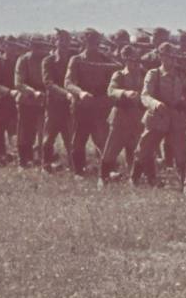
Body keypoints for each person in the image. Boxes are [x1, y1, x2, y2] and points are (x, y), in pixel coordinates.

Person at [136, 43, 186, 186]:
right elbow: (145, 95)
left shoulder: (180, 74)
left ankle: (185, 183)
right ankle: (136, 178)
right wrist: (156, 104)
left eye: (173, 56)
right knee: (144, 149)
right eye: (167, 56)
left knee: (182, 152)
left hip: (175, 118)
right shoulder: (153, 74)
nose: (171, 60)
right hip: (157, 117)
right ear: (161, 57)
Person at [64, 29, 115, 176]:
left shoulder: (105, 59)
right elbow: (68, 82)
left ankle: (107, 171)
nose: (94, 45)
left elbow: (114, 77)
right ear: (84, 42)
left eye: (96, 42)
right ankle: (79, 172)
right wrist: (80, 93)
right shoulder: (76, 59)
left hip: (100, 106)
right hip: (82, 105)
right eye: (90, 42)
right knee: (79, 139)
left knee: (102, 139)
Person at [98, 45, 147, 188]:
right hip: (120, 117)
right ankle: (103, 177)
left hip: (137, 117)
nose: (134, 64)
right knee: (111, 149)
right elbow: (111, 90)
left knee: (138, 149)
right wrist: (125, 93)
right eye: (131, 60)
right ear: (125, 60)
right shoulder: (119, 75)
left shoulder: (143, 75)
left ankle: (134, 178)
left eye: (136, 60)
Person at [14, 36, 52, 168]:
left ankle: (41, 159)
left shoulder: (47, 59)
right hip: (27, 100)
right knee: (25, 132)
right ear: (31, 46)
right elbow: (19, 83)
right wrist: (33, 92)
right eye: (36, 46)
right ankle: (22, 160)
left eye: (41, 46)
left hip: (44, 100)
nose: (39, 49)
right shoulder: (23, 60)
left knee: (43, 132)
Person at [41, 30, 76, 170]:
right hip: (54, 105)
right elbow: (48, 83)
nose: (64, 45)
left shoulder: (74, 59)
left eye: (66, 42)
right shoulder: (48, 61)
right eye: (60, 41)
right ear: (55, 42)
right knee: (49, 137)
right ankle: (46, 165)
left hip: (71, 105)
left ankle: (73, 165)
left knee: (70, 138)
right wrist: (66, 94)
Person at [0, 39, 23, 166]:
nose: (12, 49)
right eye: (9, 46)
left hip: (16, 101)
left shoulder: (18, 61)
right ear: (4, 47)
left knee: (15, 130)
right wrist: (8, 91)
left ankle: (14, 155)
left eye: (14, 46)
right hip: (1, 101)